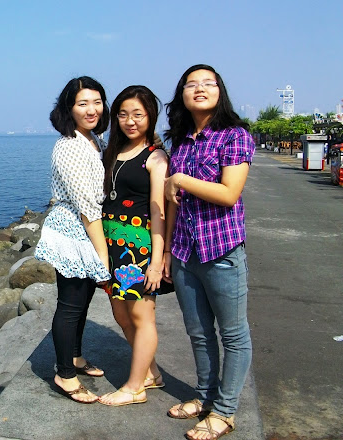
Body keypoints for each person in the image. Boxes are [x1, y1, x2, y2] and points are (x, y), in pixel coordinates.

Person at [163, 64, 254, 440]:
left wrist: (181, 179)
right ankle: (205, 397)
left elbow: (229, 193)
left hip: (222, 252)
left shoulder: (234, 135)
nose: (199, 88)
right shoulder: (181, 141)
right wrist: (167, 251)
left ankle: (225, 411)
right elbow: (173, 202)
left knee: (233, 334)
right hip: (185, 252)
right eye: (191, 84)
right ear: (182, 95)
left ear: (220, 91)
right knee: (199, 333)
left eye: (208, 83)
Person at [35, 76, 111, 404]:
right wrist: (103, 257)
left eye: (97, 102)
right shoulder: (69, 146)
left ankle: (76, 357)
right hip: (74, 231)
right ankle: (64, 374)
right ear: (69, 108)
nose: (91, 109)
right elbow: (87, 206)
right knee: (70, 304)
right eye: (83, 103)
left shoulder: (94, 139)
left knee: (83, 301)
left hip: (88, 229)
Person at [96, 85, 172, 407]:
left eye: (138, 114)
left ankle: (134, 387)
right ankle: (151, 373)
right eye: (123, 114)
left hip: (138, 249)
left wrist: (157, 261)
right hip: (112, 247)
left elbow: (159, 212)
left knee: (142, 317)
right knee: (121, 315)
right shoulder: (112, 153)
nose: (130, 121)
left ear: (150, 116)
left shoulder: (155, 157)